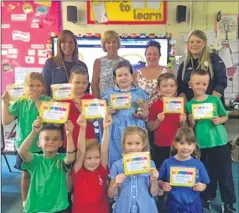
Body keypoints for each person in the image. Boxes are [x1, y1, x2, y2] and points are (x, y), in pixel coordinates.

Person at [186, 69, 236, 213]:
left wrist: (220, 119)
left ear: (208, 84)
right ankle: (207, 198)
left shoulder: (214, 100)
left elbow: (224, 116)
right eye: (197, 83)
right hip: (202, 144)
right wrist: (191, 121)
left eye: (204, 84)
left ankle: (228, 203)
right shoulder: (190, 105)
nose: (200, 86)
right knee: (206, 173)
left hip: (219, 142)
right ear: (191, 84)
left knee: (225, 174)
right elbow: (191, 127)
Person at [1, 72, 51, 208]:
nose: (34, 89)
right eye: (31, 85)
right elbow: (5, 121)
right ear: (25, 87)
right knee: (26, 175)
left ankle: (42, 200)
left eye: (38, 85)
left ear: (44, 87)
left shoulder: (47, 100)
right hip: (24, 147)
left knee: (43, 176)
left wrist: (36, 100)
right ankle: (25, 201)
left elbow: (47, 116)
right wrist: (5, 103)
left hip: (44, 146)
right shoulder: (20, 102)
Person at [147, 72, 187, 212]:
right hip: (160, 146)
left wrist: (183, 121)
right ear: (159, 88)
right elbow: (151, 127)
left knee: (175, 173)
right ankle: (161, 202)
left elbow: (184, 128)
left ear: (176, 87)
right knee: (161, 174)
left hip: (176, 147)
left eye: (171, 85)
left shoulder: (179, 104)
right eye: (164, 86)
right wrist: (159, 120)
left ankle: (176, 201)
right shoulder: (156, 105)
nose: (168, 88)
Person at [18, 117, 75, 213]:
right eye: (46, 138)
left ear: (61, 143)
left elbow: (70, 158)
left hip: (58, 207)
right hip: (36, 206)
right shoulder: (35, 160)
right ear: (39, 143)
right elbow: (22, 152)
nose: (51, 142)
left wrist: (69, 135)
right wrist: (34, 132)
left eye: (55, 139)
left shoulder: (61, 159)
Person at [103, 59, 149, 167]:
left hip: (136, 126)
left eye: (126, 74)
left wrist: (141, 114)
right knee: (116, 155)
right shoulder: (108, 94)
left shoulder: (139, 93)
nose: (123, 78)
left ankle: (138, 178)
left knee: (137, 156)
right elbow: (103, 112)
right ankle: (116, 178)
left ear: (132, 76)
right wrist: (108, 111)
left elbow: (146, 111)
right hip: (116, 129)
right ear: (115, 79)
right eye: (119, 75)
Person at [158, 127, 210, 213]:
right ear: (175, 144)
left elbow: (205, 183)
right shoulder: (167, 163)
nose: (186, 147)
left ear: (193, 146)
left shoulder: (198, 164)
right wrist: (162, 185)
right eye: (182, 143)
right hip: (173, 204)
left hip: (194, 203)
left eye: (189, 144)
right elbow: (159, 180)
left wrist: (202, 187)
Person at [108, 126, 159, 213]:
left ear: (143, 144)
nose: (133, 147)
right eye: (129, 143)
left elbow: (154, 193)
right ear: (123, 144)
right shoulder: (116, 165)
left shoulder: (150, 164)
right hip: (124, 208)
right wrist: (116, 184)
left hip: (146, 208)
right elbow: (111, 194)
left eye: (137, 143)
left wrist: (154, 181)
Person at [72, 113, 112, 213]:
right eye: (89, 158)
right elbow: (81, 151)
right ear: (83, 159)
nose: (93, 161)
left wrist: (106, 128)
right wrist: (82, 128)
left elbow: (104, 149)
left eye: (96, 158)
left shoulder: (102, 169)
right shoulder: (78, 171)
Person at [177, 30, 227, 104]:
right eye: (192, 42)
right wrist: (187, 107)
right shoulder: (184, 64)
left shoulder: (214, 59)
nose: (194, 44)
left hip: (211, 107)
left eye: (198, 42)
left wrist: (209, 105)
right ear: (188, 44)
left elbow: (221, 83)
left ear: (204, 43)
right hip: (191, 109)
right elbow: (180, 88)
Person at [42, 30, 88, 97]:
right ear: (59, 44)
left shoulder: (82, 65)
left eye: (71, 42)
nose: (67, 45)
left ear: (75, 44)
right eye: (64, 42)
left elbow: (86, 90)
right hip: (56, 105)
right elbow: (44, 87)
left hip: (77, 105)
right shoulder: (50, 63)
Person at [64, 65, 96, 149]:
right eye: (77, 82)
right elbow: (57, 123)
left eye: (84, 83)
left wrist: (80, 108)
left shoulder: (91, 99)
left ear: (88, 83)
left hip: (88, 141)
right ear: (70, 81)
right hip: (70, 141)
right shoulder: (63, 99)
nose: (81, 86)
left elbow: (92, 120)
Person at [134, 40, 172, 107]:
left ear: (159, 56)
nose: (152, 57)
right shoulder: (137, 74)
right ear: (145, 55)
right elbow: (133, 96)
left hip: (161, 114)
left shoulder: (167, 72)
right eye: (149, 54)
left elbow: (173, 94)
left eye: (155, 54)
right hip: (142, 114)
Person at [91, 30, 122, 98]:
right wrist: (99, 103)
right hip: (103, 103)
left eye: (114, 42)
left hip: (121, 103)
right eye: (108, 42)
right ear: (104, 45)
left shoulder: (124, 62)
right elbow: (94, 85)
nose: (111, 45)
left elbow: (128, 85)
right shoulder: (98, 62)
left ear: (118, 44)